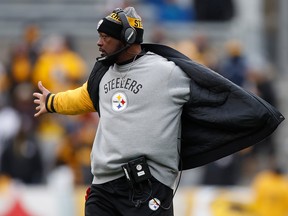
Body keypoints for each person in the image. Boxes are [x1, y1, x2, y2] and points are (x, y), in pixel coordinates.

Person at [33, 6, 284, 216]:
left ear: (129, 37)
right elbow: (83, 97)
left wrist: (251, 116)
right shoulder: (103, 74)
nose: (99, 42)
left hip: (148, 187)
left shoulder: (167, 72)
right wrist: (52, 101)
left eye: (106, 37)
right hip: (103, 187)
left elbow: (211, 94)